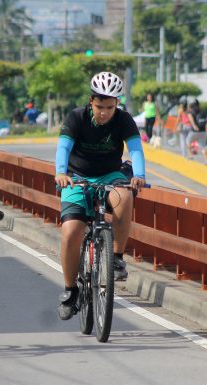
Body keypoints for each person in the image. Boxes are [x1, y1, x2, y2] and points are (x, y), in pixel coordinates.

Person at [54, 71, 147, 321]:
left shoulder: (124, 120)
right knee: (71, 232)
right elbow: (63, 147)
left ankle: (116, 258)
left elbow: (136, 149)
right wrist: (61, 173)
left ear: (117, 103)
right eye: (99, 107)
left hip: (110, 175)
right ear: (90, 101)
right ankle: (71, 291)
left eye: (110, 107)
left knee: (125, 196)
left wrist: (139, 175)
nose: (104, 113)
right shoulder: (76, 117)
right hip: (76, 176)